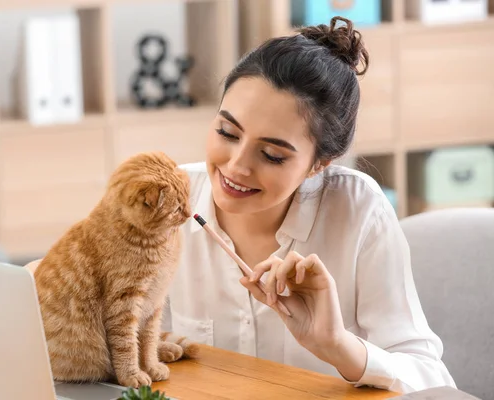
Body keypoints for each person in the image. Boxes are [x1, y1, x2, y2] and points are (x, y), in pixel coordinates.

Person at [161, 16, 456, 394]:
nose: (236, 166)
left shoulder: (359, 210)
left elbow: (434, 382)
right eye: (226, 132)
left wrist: (336, 345)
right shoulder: (167, 203)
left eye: (271, 155)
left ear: (320, 164)